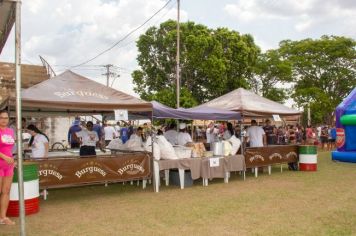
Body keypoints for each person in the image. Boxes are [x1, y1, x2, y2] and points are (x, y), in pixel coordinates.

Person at [0, 110, 16, 225]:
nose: (4, 120)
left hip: (9, 165)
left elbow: (11, 148)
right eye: (1, 117)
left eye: (6, 118)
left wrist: (12, 159)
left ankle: (3, 217)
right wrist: (4, 157)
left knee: (6, 191)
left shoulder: (11, 131)